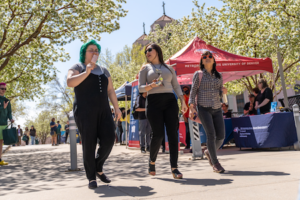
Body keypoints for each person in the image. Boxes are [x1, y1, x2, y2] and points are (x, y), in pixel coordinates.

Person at [67, 40, 121, 189]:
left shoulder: (104, 70)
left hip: (104, 110)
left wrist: (117, 108)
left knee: (110, 139)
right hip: (84, 111)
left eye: (97, 50)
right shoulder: (78, 67)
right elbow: (70, 82)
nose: (95, 53)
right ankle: (91, 177)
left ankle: (97, 166)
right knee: (89, 144)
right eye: (91, 50)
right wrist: (87, 72)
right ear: (84, 52)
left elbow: (110, 90)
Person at [138, 43, 188, 179]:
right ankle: (152, 161)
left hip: (170, 101)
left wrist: (182, 101)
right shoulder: (145, 69)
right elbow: (140, 89)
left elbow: (176, 86)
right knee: (158, 135)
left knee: (173, 134)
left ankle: (174, 168)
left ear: (157, 51)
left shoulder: (169, 68)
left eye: (149, 50)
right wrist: (151, 85)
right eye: (145, 51)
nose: (147, 52)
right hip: (153, 102)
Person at [189, 51, 227, 173]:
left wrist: (223, 91)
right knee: (211, 135)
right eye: (204, 57)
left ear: (214, 60)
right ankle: (215, 163)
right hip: (203, 108)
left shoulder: (219, 76)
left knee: (221, 136)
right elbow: (193, 91)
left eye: (210, 57)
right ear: (201, 61)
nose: (207, 58)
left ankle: (208, 151)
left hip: (217, 108)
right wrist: (191, 106)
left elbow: (219, 92)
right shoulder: (198, 74)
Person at [0, 82, 14, 165]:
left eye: (4, 89)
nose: (3, 90)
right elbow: (3, 108)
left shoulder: (7, 100)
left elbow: (9, 112)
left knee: (1, 142)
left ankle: (0, 160)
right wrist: (3, 107)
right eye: (2, 88)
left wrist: (11, 118)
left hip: (4, 124)